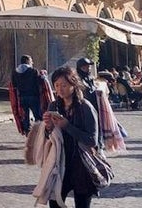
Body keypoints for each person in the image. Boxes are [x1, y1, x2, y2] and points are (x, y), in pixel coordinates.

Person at [41, 66, 101, 208]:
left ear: (73, 85)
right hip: (60, 163)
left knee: (82, 204)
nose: (60, 89)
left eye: (64, 85)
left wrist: (67, 125)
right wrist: (48, 127)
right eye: (56, 85)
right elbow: (48, 137)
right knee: (55, 203)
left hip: (82, 165)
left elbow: (92, 140)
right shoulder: (54, 105)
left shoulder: (85, 107)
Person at [11, 55, 43, 135]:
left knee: (25, 116)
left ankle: (27, 132)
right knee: (37, 116)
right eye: (31, 61)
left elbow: (14, 85)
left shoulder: (15, 72)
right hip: (33, 96)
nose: (32, 63)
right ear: (28, 61)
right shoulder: (33, 71)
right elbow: (39, 82)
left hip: (22, 97)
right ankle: (39, 132)